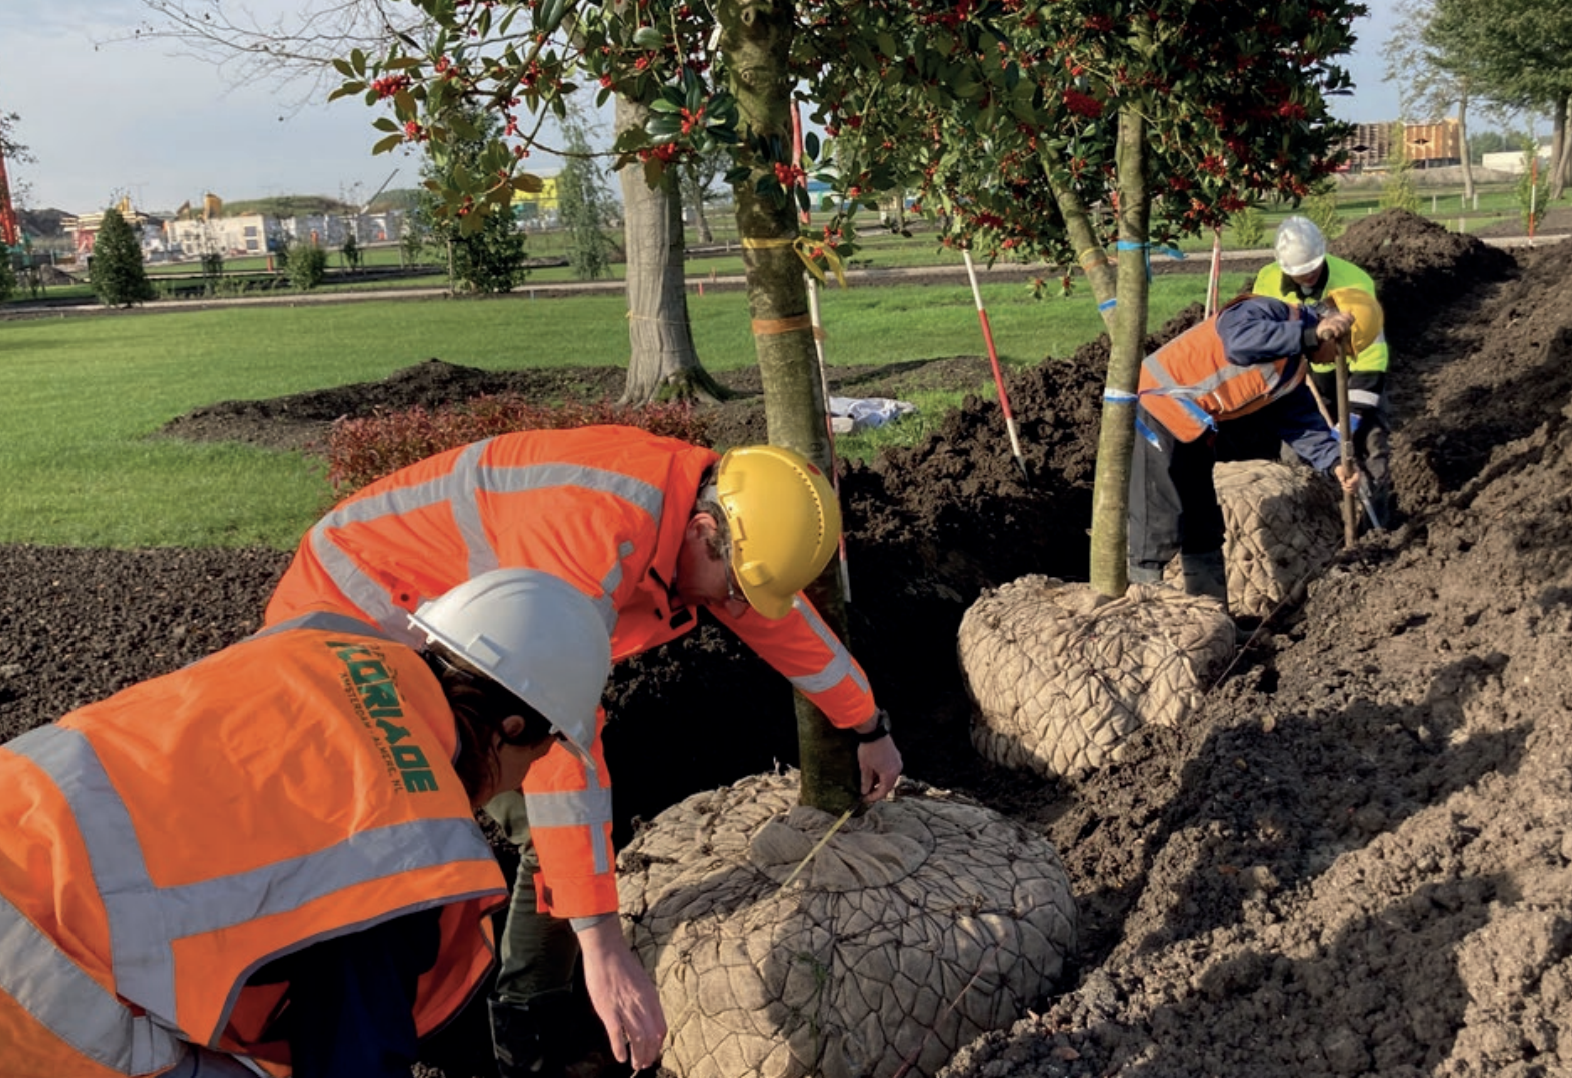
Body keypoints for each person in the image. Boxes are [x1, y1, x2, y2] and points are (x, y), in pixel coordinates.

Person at [262, 425, 904, 1077]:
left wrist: (867, 725)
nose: (732, 604)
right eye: (734, 584)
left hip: (453, 637)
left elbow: (779, 620)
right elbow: (561, 740)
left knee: (542, 829)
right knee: (460, 829)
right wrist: (604, 949)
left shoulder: (697, 512)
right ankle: (518, 1033)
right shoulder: (591, 532)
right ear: (705, 531)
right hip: (355, 632)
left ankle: (517, 1007)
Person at [0, 568, 616, 1078]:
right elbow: (356, 1056)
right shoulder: (405, 837)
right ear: (512, 729)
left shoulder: (318, 645)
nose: (523, 780)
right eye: (544, 751)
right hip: (36, 969)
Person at [1127, 290, 1382, 611]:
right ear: (1331, 328)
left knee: (1203, 526)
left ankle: (1213, 627)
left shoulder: (1291, 368)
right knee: (1157, 525)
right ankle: (1145, 622)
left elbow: (1301, 425)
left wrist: (1335, 462)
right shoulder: (1268, 312)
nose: (1337, 360)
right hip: (1155, 405)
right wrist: (1308, 335)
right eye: (1342, 352)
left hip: (1193, 422)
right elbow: (1240, 342)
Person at [1252, 215, 1394, 526]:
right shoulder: (1267, 280)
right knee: (1298, 457)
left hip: (1354, 373)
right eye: (1298, 273)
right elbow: (1264, 333)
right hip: (1303, 377)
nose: (1307, 277)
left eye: (1312, 270)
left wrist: (1351, 419)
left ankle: (1377, 528)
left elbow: (1370, 356)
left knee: (1370, 449)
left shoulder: (1354, 283)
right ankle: (1313, 529)